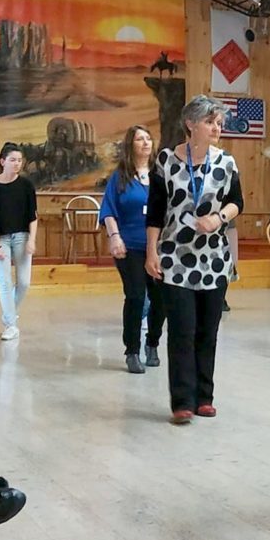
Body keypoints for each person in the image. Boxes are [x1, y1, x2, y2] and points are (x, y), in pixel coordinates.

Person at [146, 95, 244, 424]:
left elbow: (236, 202)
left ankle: (205, 397)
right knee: (182, 330)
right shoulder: (165, 161)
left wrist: (218, 218)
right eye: (210, 122)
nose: (217, 127)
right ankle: (182, 401)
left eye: (219, 123)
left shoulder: (226, 162)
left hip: (214, 259)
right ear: (191, 124)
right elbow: (156, 212)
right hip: (175, 258)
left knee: (208, 331)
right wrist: (151, 252)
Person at [100, 126, 165, 375]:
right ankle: (132, 351)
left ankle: (152, 344)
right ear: (131, 145)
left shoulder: (161, 176)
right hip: (130, 245)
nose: (146, 143)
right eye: (140, 139)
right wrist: (114, 236)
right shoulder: (120, 177)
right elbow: (108, 209)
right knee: (136, 296)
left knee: (160, 300)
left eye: (148, 139)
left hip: (158, 247)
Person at [0, 142, 38, 341]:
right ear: (2, 161)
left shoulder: (26, 185)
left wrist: (32, 239)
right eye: (13, 160)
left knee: (24, 282)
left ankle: (10, 313)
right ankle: (11, 325)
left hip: (22, 235)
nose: (17, 164)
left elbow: (33, 215)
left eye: (20, 160)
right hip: (0, 237)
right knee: (5, 282)